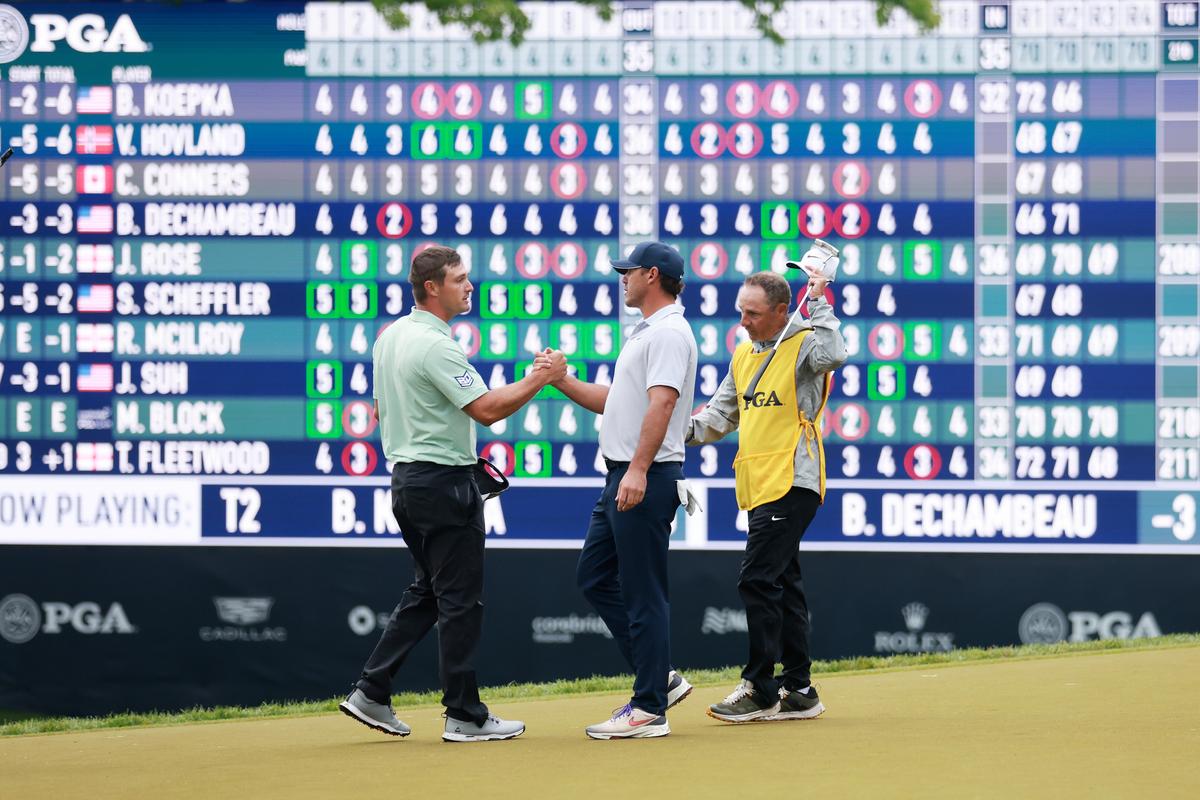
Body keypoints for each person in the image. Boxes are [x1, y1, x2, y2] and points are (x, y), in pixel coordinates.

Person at [339, 245, 566, 742]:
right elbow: (486, 409)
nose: (469, 285)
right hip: (442, 485)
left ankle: (372, 691)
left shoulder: (390, 336)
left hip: (407, 482)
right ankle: (464, 714)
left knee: (429, 592)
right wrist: (542, 378)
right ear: (432, 288)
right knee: (460, 601)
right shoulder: (435, 345)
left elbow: (379, 408)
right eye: (459, 279)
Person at [687, 261, 846, 724]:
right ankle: (800, 689)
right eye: (741, 311)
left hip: (793, 479)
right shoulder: (744, 354)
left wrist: (818, 299)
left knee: (756, 580)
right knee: (783, 585)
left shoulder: (802, 344)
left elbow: (835, 352)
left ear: (782, 311)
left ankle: (761, 687)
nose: (743, 321)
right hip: (760, 484)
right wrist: (668, 433)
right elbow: (717, 418)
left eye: (753, 313)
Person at [551, 241, 698, 739]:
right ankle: (659, 678)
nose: (623, 278)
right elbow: (617, 402)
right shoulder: (647, 332)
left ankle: (649, 707)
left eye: (629, 271)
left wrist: (637, 470)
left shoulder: (670, 332)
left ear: (651, 275)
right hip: (621, 475)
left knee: (643, 594)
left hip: (645, 477)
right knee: (594, 577)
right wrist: (561, 380)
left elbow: (661, 405)